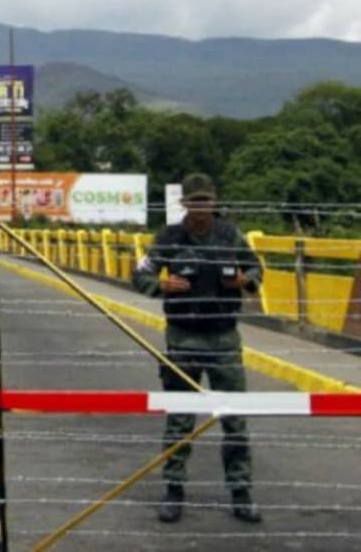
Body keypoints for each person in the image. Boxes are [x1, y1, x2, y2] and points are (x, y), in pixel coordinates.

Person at [132, 174, 263, 524]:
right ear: (185, 203)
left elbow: (255, 267)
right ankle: (174, 489)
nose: (202, 207)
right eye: (196, 200)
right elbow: (140, 273)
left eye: (207, 200)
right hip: (183, 338)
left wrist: (246, 280)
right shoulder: (170, 238)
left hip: (224, 338)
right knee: (180, 420)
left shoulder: (229, 235)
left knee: (234, 419)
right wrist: (161, 285)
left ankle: (241, 492)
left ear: (214, 201)